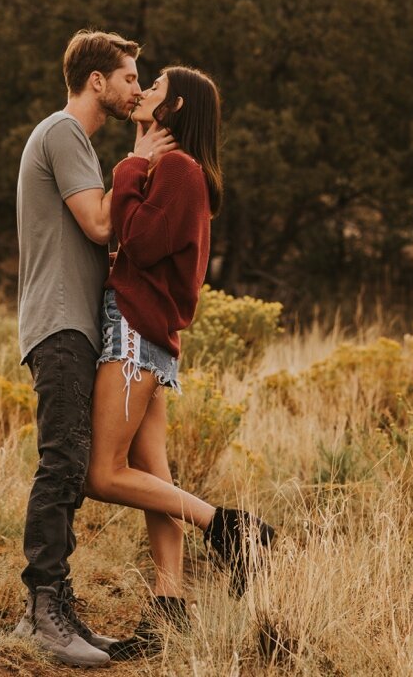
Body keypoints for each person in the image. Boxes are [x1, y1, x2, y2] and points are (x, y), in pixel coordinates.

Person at [85, 65, 277, 662]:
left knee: (102, 473)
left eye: (155, 88)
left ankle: (235, 530)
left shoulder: (177, 169)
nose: (141, 92)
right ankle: (170, 606)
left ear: (175, 110)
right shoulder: (177, 171)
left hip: (135, 333)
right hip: (148, 335)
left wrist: (129, 165)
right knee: (155, 484)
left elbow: (137, 242)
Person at [12, 29, 171, 669]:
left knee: (71, 461)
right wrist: (136, 160)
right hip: (59, 325)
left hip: (76, 323)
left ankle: (54, 608)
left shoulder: (75, 144)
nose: (137, 87)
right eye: (130, 77)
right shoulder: (62, 132)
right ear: (97, 81)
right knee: (63, 463)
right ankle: (42, 610)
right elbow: (101, 225)